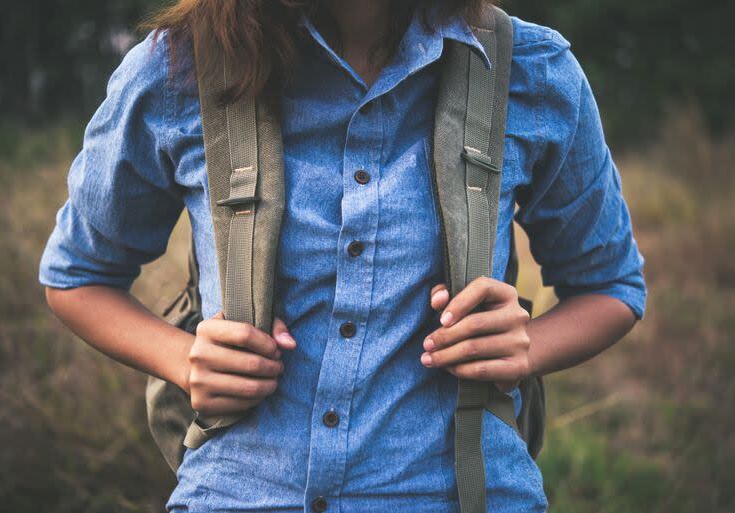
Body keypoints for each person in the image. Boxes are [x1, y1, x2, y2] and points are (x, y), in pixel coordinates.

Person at [39, 0, 646, 511]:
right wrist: (183, 358)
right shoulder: (179, 67)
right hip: (242, 493)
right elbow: (77, 275)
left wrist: (525, 347)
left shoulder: (532, 71)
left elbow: (612, 287)